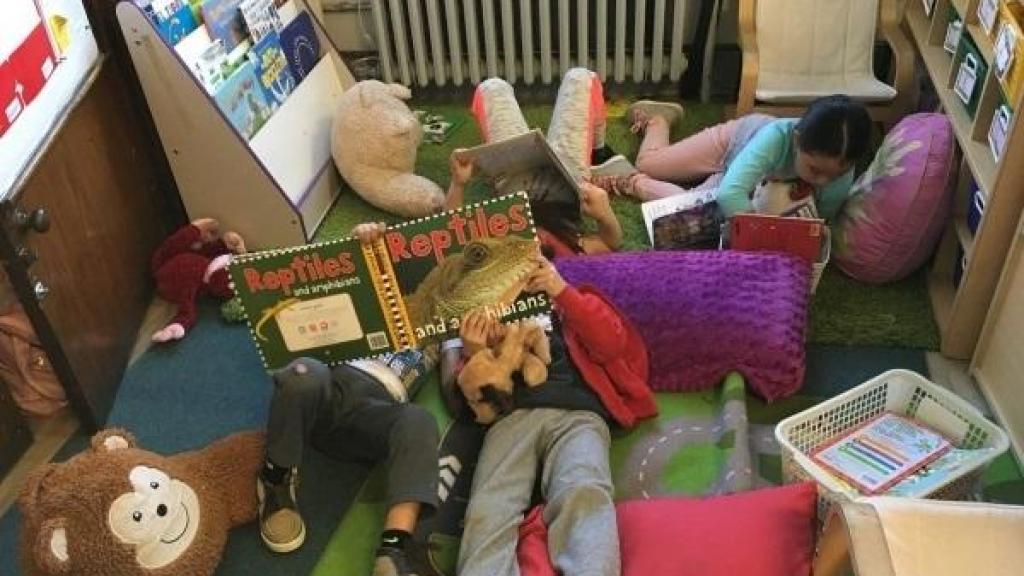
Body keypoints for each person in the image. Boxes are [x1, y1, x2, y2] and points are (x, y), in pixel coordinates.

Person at [446, 255, 657, 576]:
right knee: (490, 504)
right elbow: (477, 400)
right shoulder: (486, 319)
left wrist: (561, 290)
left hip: (580, 412)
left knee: (584, 488)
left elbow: (611, 344)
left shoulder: (574, 299)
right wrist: (475, 351)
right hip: (514, 417)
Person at [256, 222, 439, 576]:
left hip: (377, 415)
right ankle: (275, 479)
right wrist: (359, 247)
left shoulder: (441, 333)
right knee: (304, 373)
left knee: (419, 420)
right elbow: (329, 287)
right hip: (330, 390)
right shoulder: (371, 302)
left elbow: (451, 258)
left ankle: (394, 550)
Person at [591, 94, 873, 223]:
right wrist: (756, 230)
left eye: (836, 174)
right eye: (815, 170)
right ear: (797, 142)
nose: (823, 180)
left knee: (693, 211)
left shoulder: (840, 162)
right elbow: (731, 194)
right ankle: (657, 123)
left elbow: (823, 219)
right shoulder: (776, 137)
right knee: (650, 164)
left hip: (753, 178)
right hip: (735, 142)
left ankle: (635, 181)